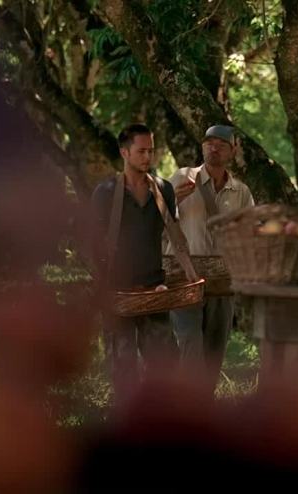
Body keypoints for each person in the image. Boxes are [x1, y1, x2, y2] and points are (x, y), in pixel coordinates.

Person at [91, 123, 179, 402]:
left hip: (155, 289)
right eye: (141, 151)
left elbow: (172, 237)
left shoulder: (164, 190)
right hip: (118, 293)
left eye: (151, 151)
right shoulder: (105, 193)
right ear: (124, 153)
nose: (148, 157)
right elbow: (91, 244)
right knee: (123, 370)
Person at [167, 125, 254, 388]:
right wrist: (170, 200)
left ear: (233, 150)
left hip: (222, 283)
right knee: (189, 344)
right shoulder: (183, 178)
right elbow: (155, 220)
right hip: (185, 278)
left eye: (221, 144)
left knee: (215, 349)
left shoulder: (241, 192)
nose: (213, 148)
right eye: (208, 143)